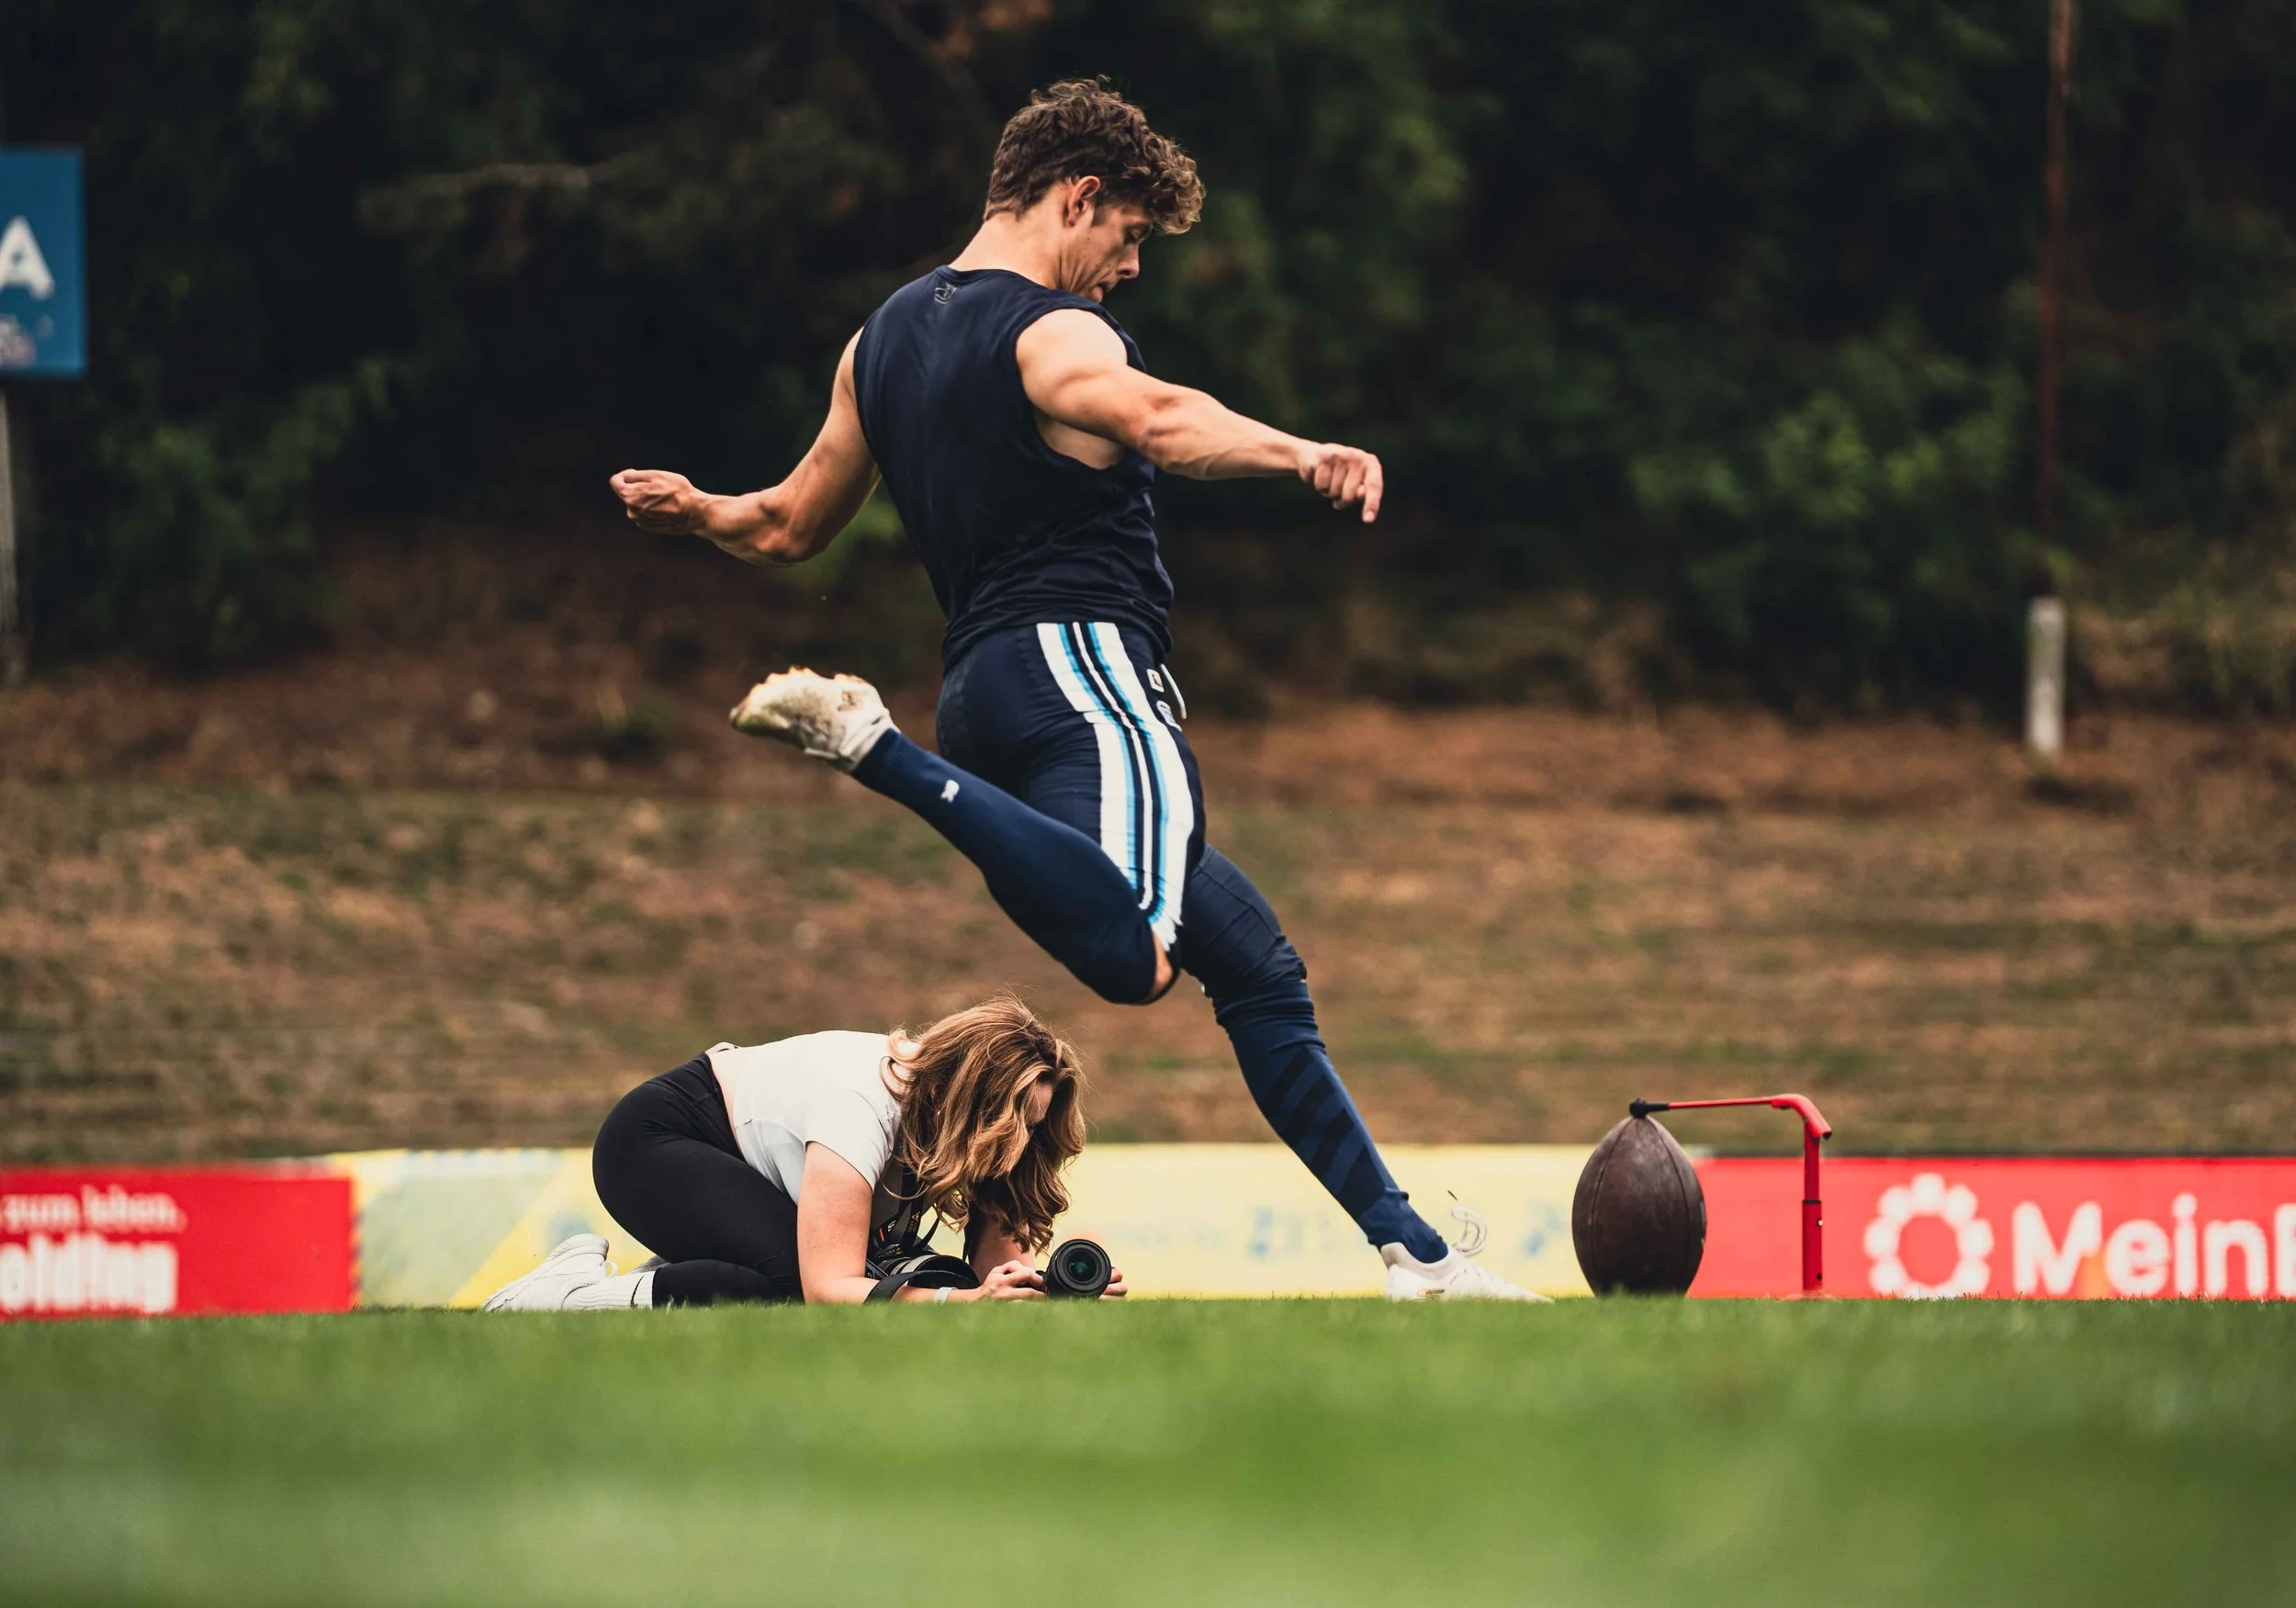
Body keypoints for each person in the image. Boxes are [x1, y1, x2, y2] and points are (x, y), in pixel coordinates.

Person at [610, 80, 1540, 1302]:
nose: (1130, 268)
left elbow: (789, 523)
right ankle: (874, 746)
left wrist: (699, 512)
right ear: (1078, 196)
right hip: (1084, 677)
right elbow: (1157, 416)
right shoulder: (1050, 332)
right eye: (1131, 235)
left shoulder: (876, 344)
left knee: (1257, 967)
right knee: (1138, 958)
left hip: (986, 705)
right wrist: (1299, 449)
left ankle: (1414, 1251)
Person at [483, 995, 1123, 1309]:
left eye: (1032, 1126)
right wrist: (958, 1303)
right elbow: (828, 1286)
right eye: (1012, 1122)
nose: (1021, 1143)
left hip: (732, 1162)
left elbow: (993, 1273)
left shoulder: (974, 1128)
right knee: (785, 1284)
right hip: (656, 1141)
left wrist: (1043, 1289)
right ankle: (567, 1297)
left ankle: (621, 1278)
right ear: (967, 1098)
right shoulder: (862, 1103)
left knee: (855, 1276)